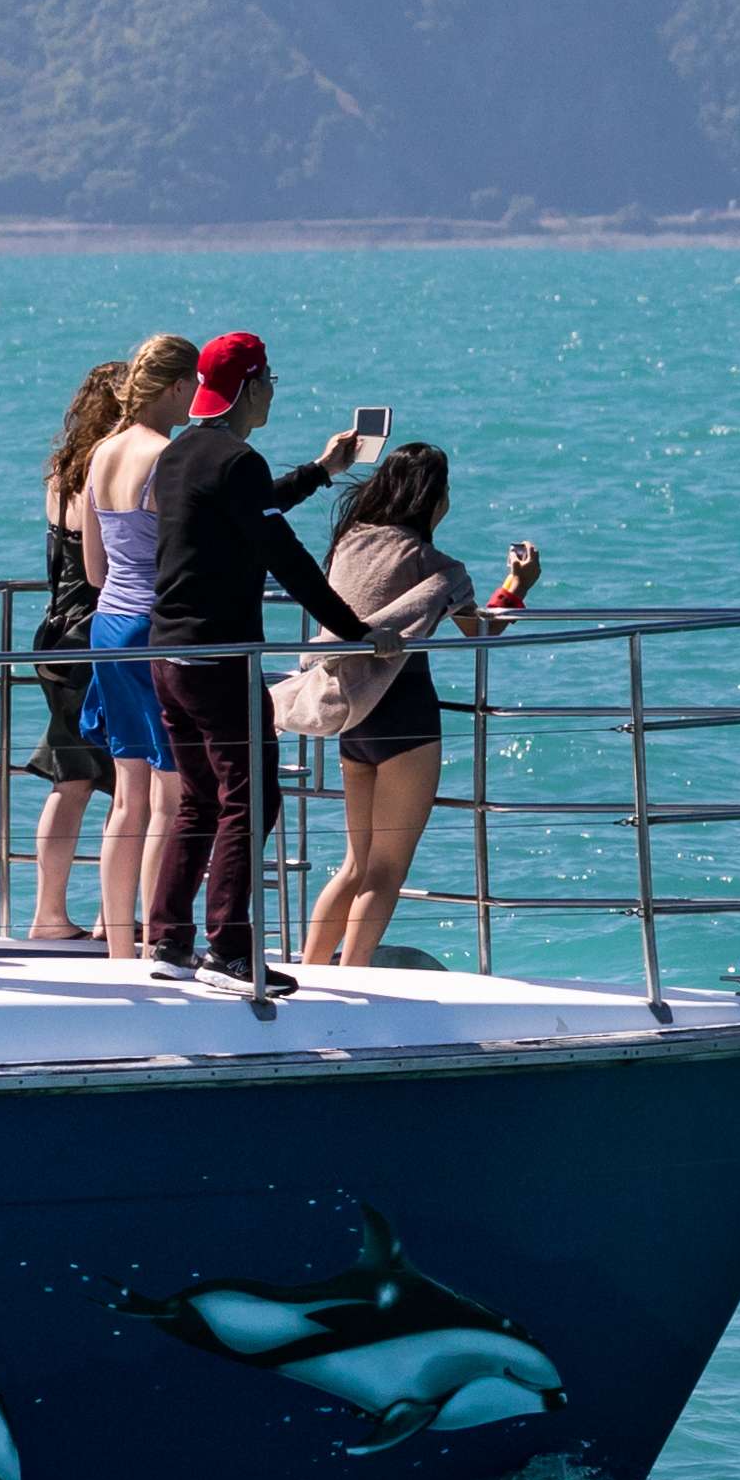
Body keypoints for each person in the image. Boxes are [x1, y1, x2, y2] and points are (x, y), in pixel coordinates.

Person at [134, 330, 368, 995]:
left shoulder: (178, 454)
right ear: (253, 387)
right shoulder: (237, 461)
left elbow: (246, 510)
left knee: (199, 801)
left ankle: (170, 939)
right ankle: (229, 950)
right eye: (269, 383)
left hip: (167, 654)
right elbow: (284, 555)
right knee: (250, 798)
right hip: (220, 658)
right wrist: (354, 631)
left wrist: (321, 472)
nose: (271, 395)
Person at [291, 444, 538, 973]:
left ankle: (310, 973)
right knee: (386, 871)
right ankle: (352, 978)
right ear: (434, 500)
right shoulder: (436, 566)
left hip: (351, 715)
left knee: (354, 867)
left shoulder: (349, 544)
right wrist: (517, 585)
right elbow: (482, 632)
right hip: (405, 715)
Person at [74, 335, 197, 958]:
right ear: (174, 387)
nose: (197, 397)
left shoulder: (101, 454)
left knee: (127, 796)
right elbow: (180, 559)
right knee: (169, 799)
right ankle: (158, 940)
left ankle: (120, 947)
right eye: (193, 384)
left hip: (108, 625)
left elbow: (94, 569)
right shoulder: (165, 456)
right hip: (155, 627)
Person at [18, 356, 144, 943]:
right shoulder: (104, 470)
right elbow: (104, 569)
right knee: (121, 782)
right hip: (93, 634)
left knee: (70, 779)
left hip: (54, 633)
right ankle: (107, 915)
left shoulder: (61, 470)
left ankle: (54, 912)